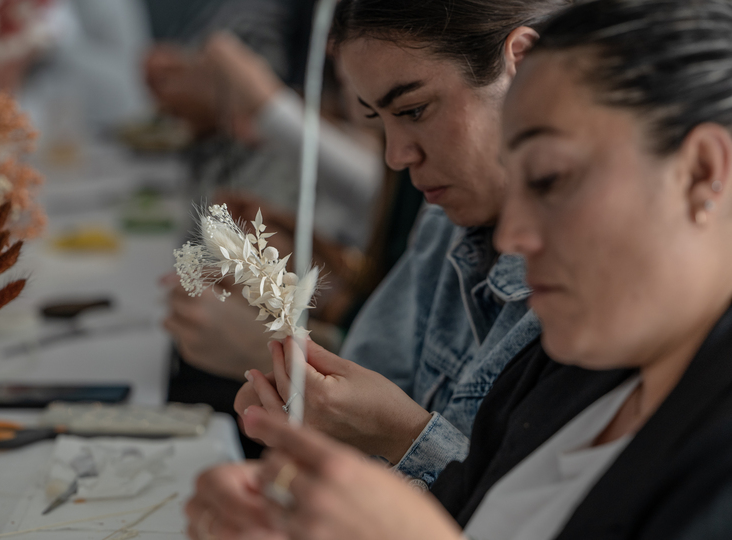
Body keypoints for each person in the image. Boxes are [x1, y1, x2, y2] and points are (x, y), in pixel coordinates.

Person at [185, 0, 732, 538]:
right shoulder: (565, 375)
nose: (514, 235)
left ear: (703, 170)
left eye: (547, 180)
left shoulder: (583, 349)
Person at [236, 0, 572, 488]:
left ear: (523, 65)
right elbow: (369, 379)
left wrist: (399, 437)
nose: (397, 155)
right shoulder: (445, 224)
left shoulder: (589, 275)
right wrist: (308, 405)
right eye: (380, 120)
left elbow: (538, 514)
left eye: (415, 110)